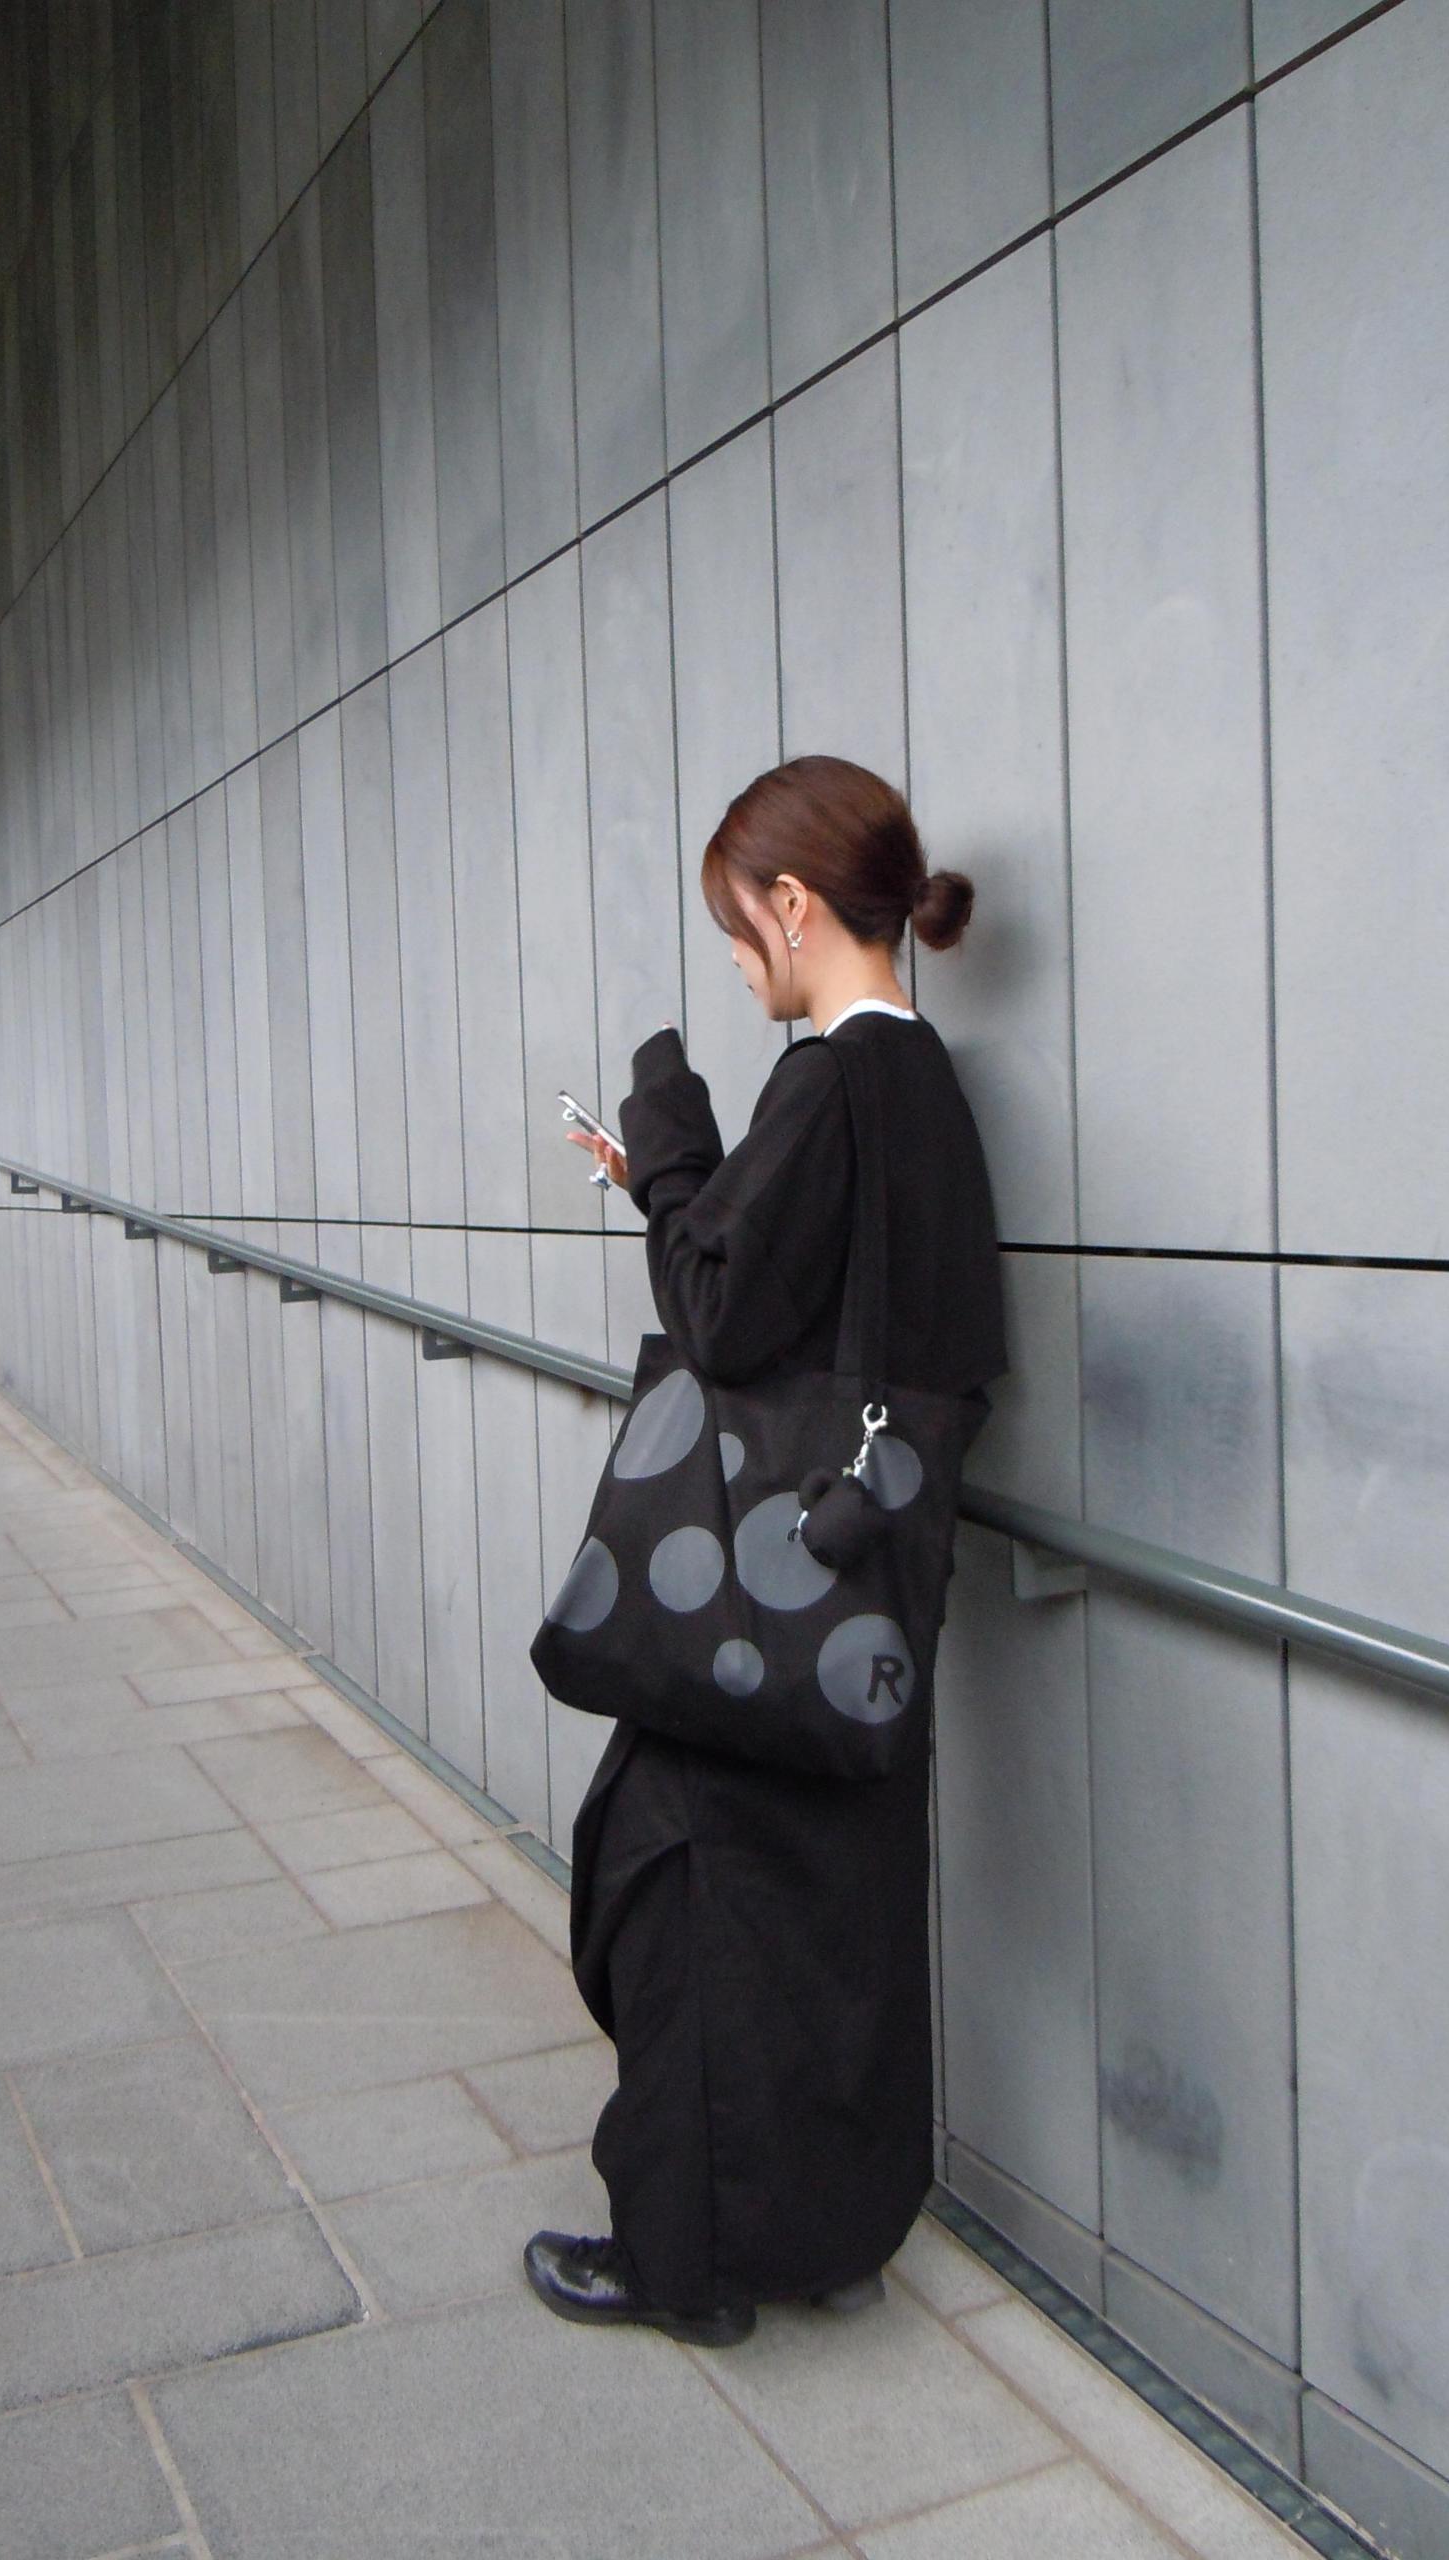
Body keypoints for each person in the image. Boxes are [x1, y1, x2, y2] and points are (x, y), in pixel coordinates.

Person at [523, 754, 1008, 2347]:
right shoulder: (931, 1091)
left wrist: (667, 1154)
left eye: (738, 928)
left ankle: (687, 2262)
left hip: (753, 1597)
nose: (738, 962)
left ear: (794, 905)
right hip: (868, 1601)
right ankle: (832, 2235)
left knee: (681, 1888)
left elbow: (726, 1318)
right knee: (840, 1924)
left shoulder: (829, 1081)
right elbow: (932, 1344)